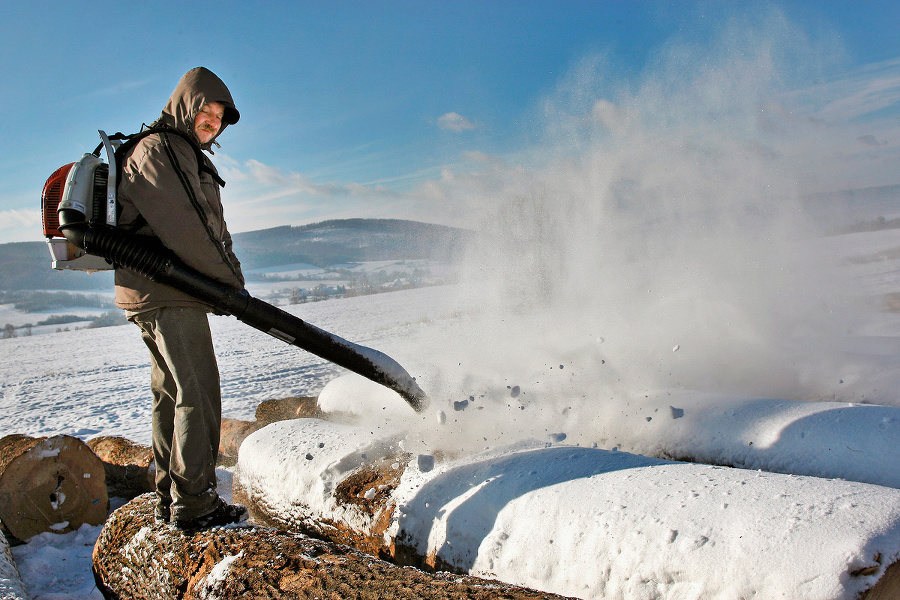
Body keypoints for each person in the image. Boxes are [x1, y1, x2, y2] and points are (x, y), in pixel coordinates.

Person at [115, 67, 248, 530]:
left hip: (161, 291)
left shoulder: (180, 152)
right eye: (206, 111)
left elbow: (209, 228)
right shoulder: (163, 149)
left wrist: (227, 281)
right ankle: (195, 507)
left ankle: (169, 498)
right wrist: (230, 285)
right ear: (185, 106)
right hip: (167, 291)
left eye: (219, 118)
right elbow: (189, 228)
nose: (212, 121)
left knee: (172, 392)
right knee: (197, 392)